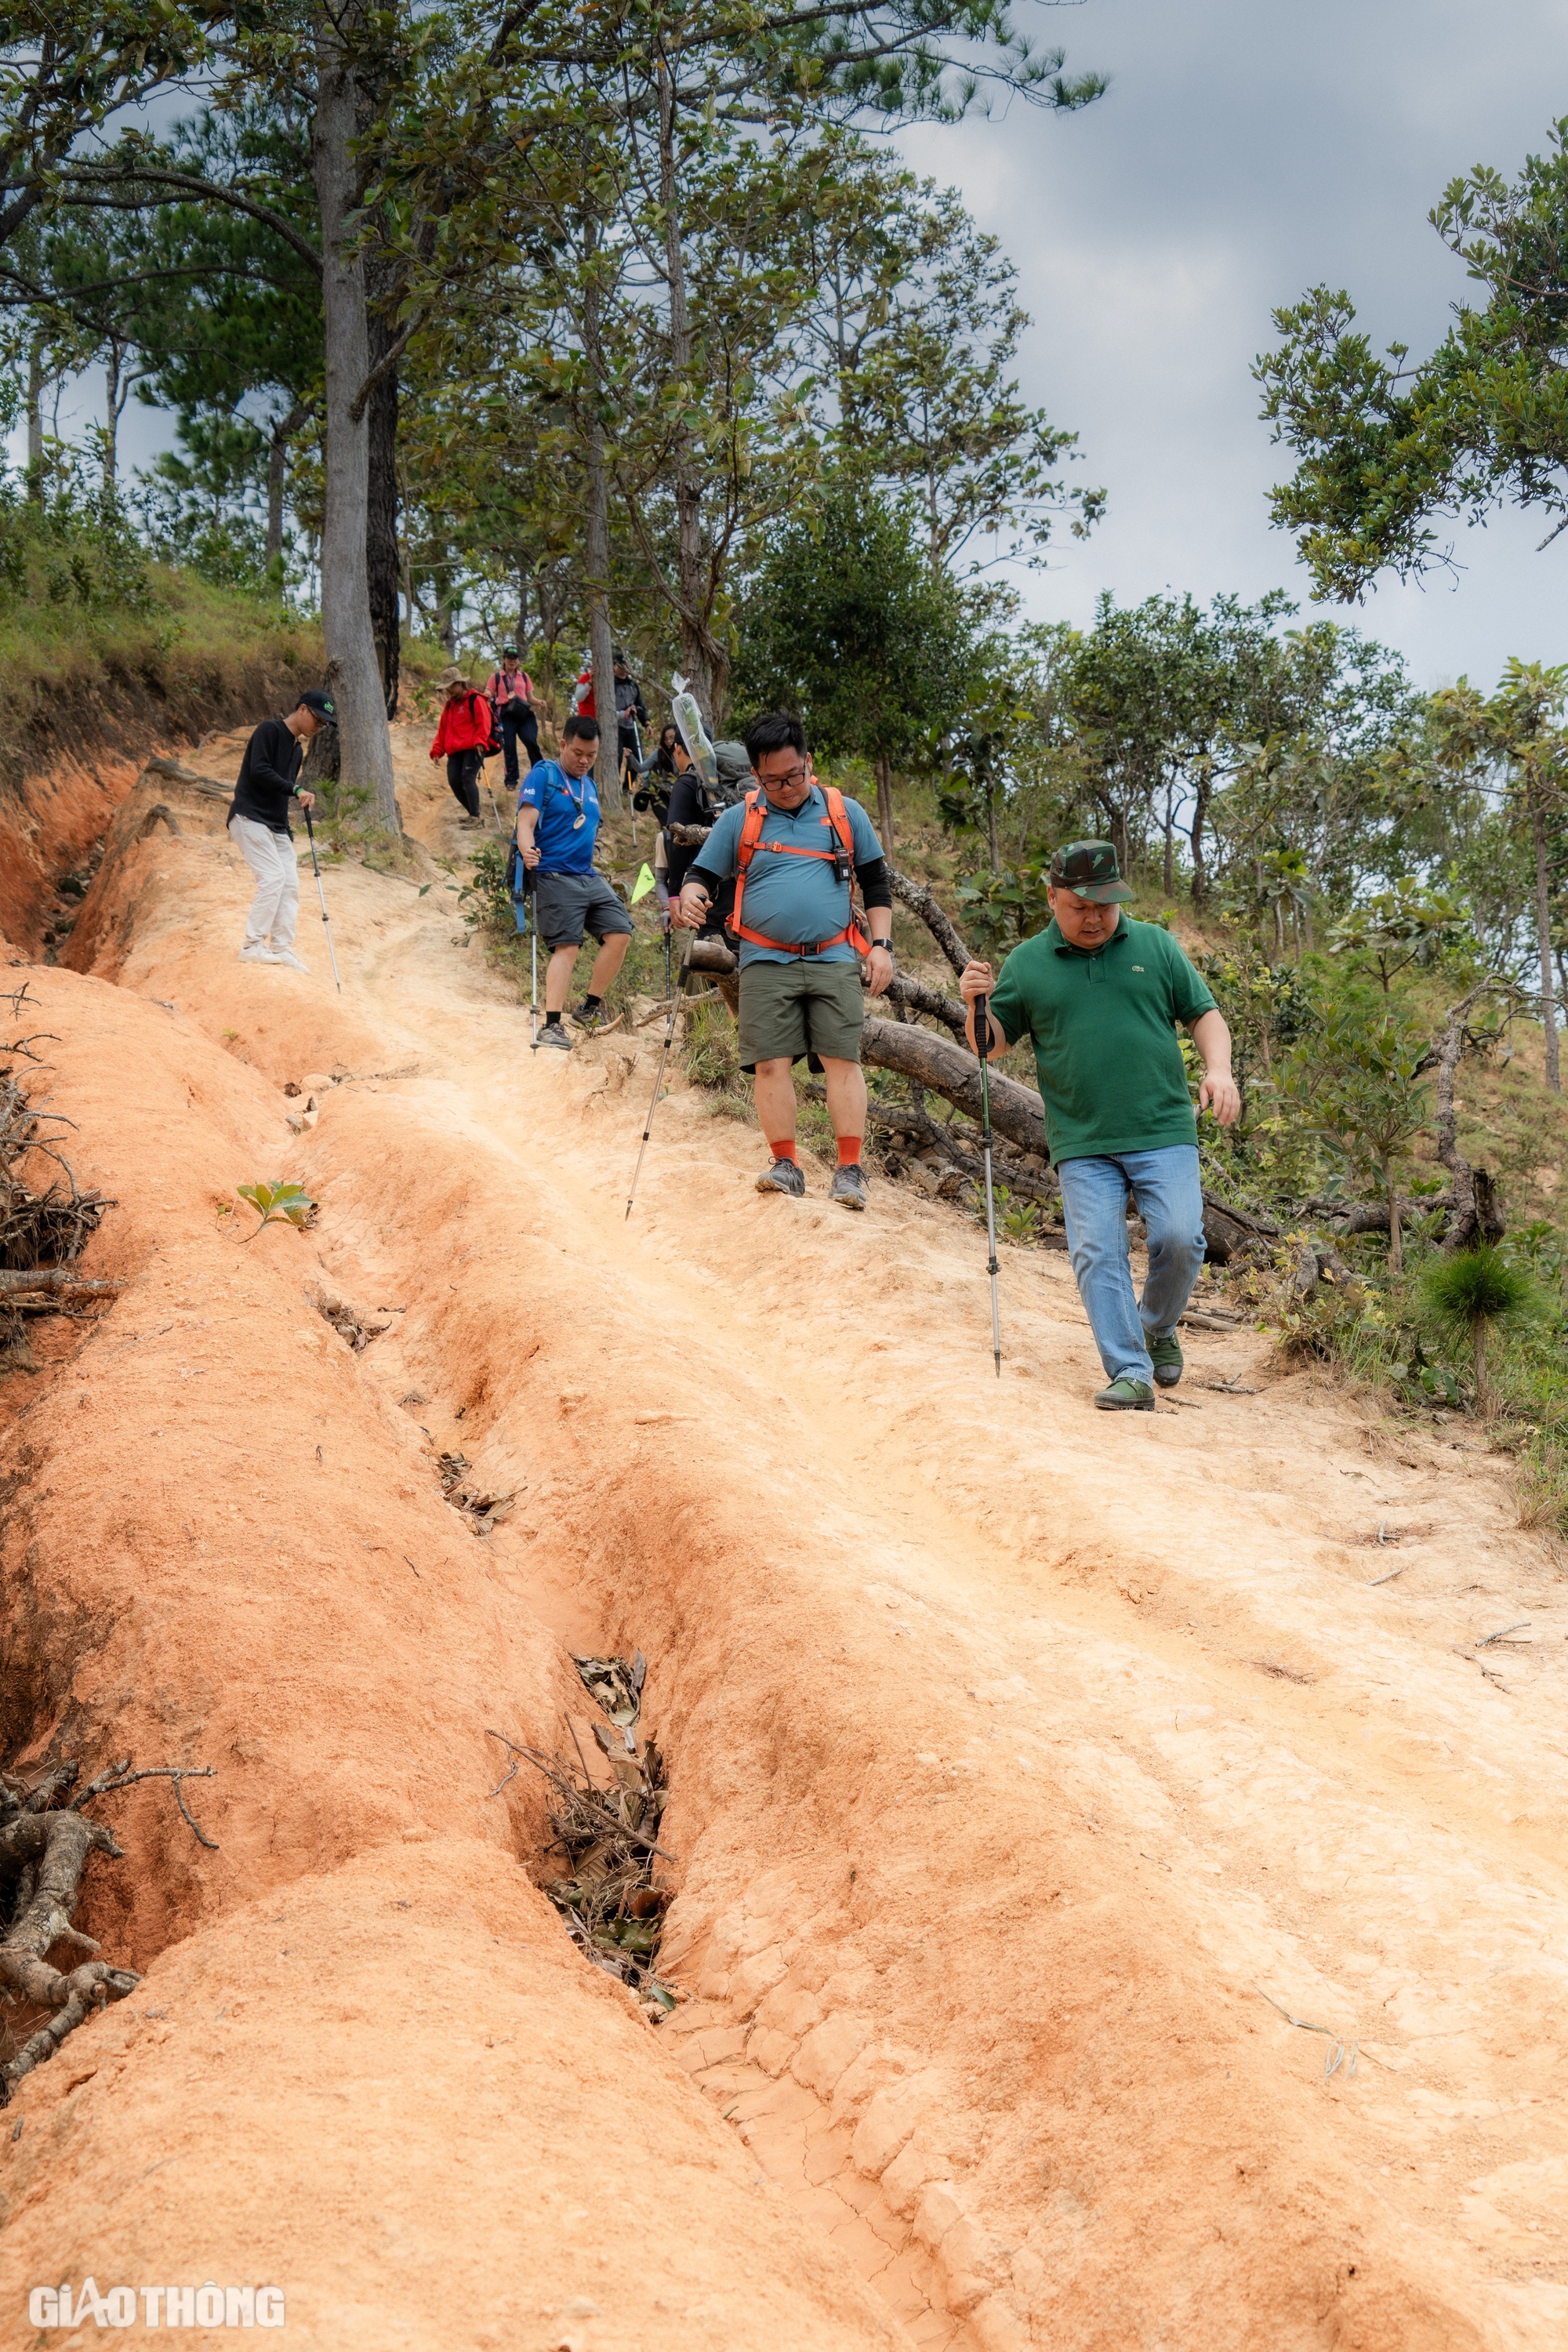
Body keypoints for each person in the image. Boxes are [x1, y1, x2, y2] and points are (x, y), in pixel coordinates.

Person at [959, 840, 1240, 1411]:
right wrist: (974, 1005)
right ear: (1052, 898)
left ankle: (1156, 1327)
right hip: (1082, 1139)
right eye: (1079, 907)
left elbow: (1204, 1014)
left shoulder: (1155, 946)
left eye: (1105, 907)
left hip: (1163, 1127)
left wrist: (1220, 1070)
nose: (1094, 919)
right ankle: (1131, 1369)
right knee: (1096, 1251)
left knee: (1181, 1239)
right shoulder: (1029, 963)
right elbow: (991, 1047)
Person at [674, 712, 894, 1210]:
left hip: (835, 956)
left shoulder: (843, 811)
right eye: (772, 780)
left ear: (808, 763)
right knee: (770, 1063)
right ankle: (786, 1164)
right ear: (755, 774)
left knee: (842, 1058)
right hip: (764, 961)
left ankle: (850, 1171)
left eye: (794, 775)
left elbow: (876, 883)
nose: (786, 787)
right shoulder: (740, 817)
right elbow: (701, 874)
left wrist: (881, 947)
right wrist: (690, 896)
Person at [517, 713, 633, 1051]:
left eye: (592, 756)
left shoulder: (590, 785)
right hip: (553, 872)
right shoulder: (545, 774)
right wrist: (527, 851)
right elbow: (526, 822)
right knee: (567, 945)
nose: (584, 761)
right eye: (578, 753)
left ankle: (588, 1009)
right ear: (563, 744)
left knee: (620, 931)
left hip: (586, 874)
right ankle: (551, 1026)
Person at [227, 688, 334, 968]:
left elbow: (280, 791)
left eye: (324, 724)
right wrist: (296, 788)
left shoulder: (297, 750)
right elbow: (260, 772)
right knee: (272, 877)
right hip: (249, 818)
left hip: (275, 825)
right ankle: (252, 945)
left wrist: (286, 828)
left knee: (289, 883)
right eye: (318, 720)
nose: (319, 727)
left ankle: (281, 947)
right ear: (302, 709)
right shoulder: (269, 730)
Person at [429, 667, 497, 826]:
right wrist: (437, 751)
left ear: (460, 683)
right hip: (455, 750)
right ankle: (474, 815)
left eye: (451, 686)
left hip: (473, 747)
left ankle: (475, 816)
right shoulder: (449, 705)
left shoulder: (475, 699)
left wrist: (481, 742)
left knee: (467, 778)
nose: (449, 690)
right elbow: (443, 730)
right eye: (447, 688)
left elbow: (484, 722)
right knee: (454, 780)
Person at [485, 644, 541, 787]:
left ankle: (540, 772)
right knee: (509, 746)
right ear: (504, 659)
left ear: (518, 661)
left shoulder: (524, 677)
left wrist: (539, 702)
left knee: (531, 740)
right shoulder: (496, 677)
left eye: (515, 658)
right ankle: (511, 780)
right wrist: (486, 696)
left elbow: (530, 698)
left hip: (523, 711)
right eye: (509, 658)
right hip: (506, 713)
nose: (512, 661)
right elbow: (489, 691)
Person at [612, 651, 648, 783]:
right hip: (615, 727)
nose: (623, 671)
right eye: (621, 667)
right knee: (616, 757)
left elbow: (640, 705)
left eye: (626, 668)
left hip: (631, 725)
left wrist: (647, 723)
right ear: (614, 666)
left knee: (636, 758)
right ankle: (614, 786)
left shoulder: (633, 686)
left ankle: (628, 787)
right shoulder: (609, 685)